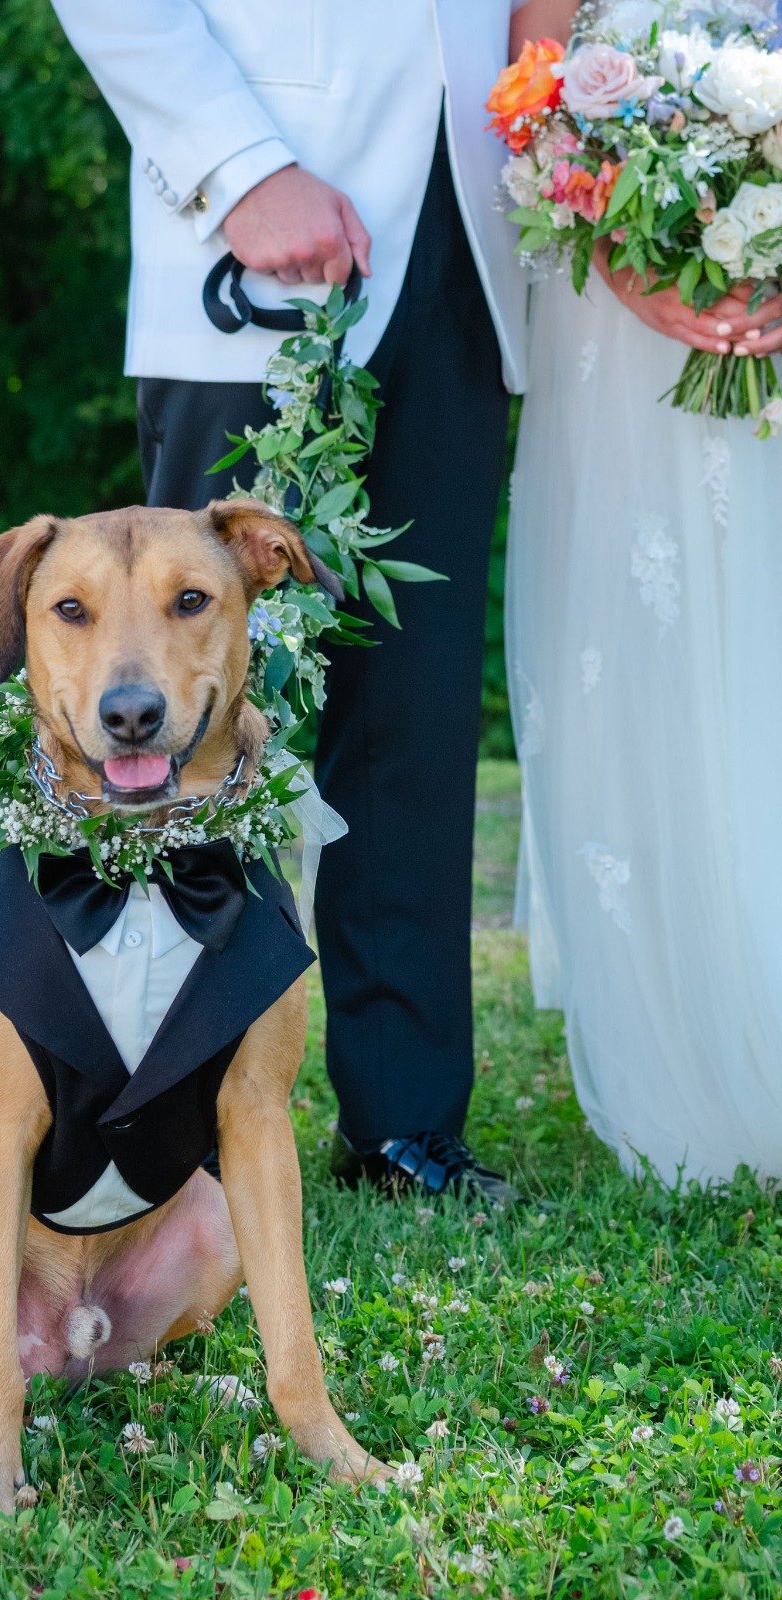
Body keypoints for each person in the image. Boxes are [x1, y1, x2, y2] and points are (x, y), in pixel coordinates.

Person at [47, 0, 534, 1202]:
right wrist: (240, 167)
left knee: (412, 723)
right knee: (179, 720)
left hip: (462, 241)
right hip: (252, 242)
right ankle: (157, 1134)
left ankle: (404, 1126)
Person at [507, 0, 782, 1184]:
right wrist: (635, 273)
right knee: (652, 656)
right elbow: (536, 85)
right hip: (618, 311)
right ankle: (695, 1053)